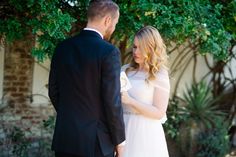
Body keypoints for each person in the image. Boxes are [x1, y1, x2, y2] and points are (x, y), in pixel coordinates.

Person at [48, 1, 125, 157]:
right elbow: (112, 101)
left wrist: (70, 116)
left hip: (65, 138)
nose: (114, 28)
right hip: (96, 143)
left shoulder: (62, 48)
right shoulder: (109, 52)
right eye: (115, 23)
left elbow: (53, 91)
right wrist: (119, 142)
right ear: (107, 21)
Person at [121, 26, 170, 157]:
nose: (136, 51)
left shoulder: (159, 73)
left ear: (151, 48)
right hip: (122, 129)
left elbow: (159, 112)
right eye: (135, 47)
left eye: (141, 47)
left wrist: (130, 101)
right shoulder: (125, 70)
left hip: (146, 133)